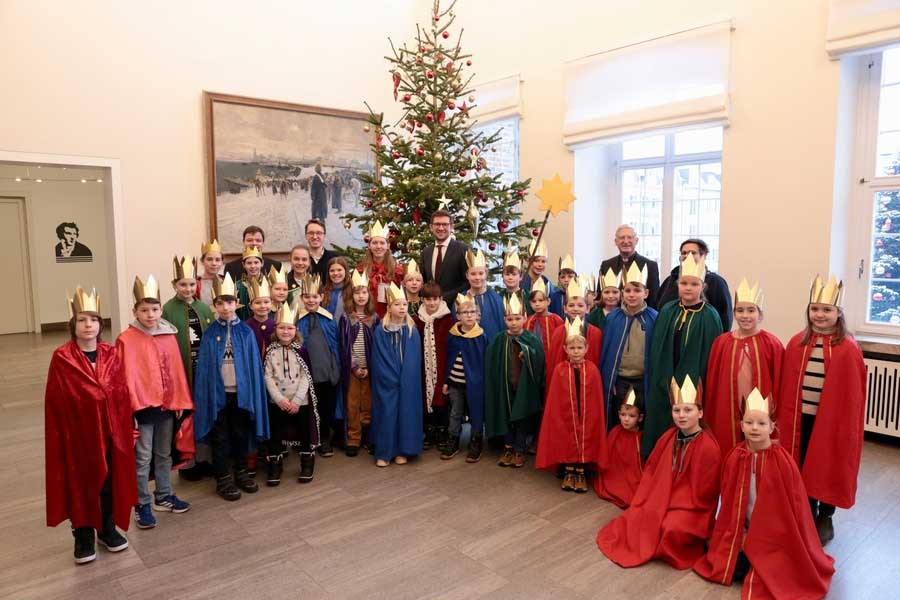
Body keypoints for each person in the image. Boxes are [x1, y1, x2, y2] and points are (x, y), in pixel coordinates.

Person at [694, 389, 834, 599]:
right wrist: (740, 532)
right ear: (741, 426)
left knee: (772, 573)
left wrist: (759, 537)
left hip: (775, 536)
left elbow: (789, 513)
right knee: (732, 570)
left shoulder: (783, 463)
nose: (755, 428)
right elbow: (730, 505)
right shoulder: (735, 457)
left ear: (772, 427)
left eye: (761, 423)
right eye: (749, 423)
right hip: (744, 529)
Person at [45, 287, 135, 564]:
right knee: (82, 482)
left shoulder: (111, 354)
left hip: (111, 433)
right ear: (73, 324)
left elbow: (122, 393)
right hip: (79, 436)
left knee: (109, 481)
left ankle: (105, 527)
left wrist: (126, 426)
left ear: (100, 325)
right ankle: (82, 532)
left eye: (94, 320)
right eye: (82, 320)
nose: (88, 325)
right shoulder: (63, 358)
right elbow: (56, 402)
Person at [597, 375, 722, 570]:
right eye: (677, 410)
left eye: (688, 410)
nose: (681, 415)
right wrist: (656, 500)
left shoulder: (708, 447)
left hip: (690, 507)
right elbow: (651, 473)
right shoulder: (668, 437)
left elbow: (704, 495)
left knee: (670, 528)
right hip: (662, 497)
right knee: (639, 517)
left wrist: (669, 504)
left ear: (700, 412)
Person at [777, 275, 866, 545]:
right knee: (802, 462)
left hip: (831, 421)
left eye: (826, 310)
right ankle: (806, 510)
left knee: (827, 464)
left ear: (838, 313)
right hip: (799, 418)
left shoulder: (848, 348)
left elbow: (852, 395)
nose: (820, 315)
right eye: (815, 309)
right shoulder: (797, 343)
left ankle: (825, 515)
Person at [117, 275, 194, 528]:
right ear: (135, 311)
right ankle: (141, 503)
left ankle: (163, 495)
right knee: (142, 458)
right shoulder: (126, 339)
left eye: (154, 309)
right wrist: (131, 409)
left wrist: (179, 399)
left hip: (167, 406)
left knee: (163, 453)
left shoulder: (168, 335)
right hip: (142, 408)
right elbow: (126, 375)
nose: (150, 315)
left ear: (161, 309)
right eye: (144, 310)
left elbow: (175, 370)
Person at [193, 273, 270, 501]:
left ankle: (242, 473)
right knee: (221, 438)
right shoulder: (209, 334)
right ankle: (223, 479)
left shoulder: (246, 332)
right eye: (220, 303)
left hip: (241, 394)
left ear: (237, 303)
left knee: (240, 434)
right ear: (214, 305)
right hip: (218, 395)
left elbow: (253, 369)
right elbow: (205, 370)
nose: (225, 307)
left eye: (230, 302)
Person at [643, 253, 722, 457]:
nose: (688, 288)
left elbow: (711, 356)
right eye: (684, 283)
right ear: (677, 285)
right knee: (661, 419)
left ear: (702, 287)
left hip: (694, 380)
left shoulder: (710, 315)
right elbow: (657, 347)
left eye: (694, 284)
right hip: (664, 377)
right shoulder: (668, 310)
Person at [704, 279, 784, 453]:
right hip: (727, 405)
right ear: (734, 313)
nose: (745, 315)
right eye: (740, 310)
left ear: (760, 315)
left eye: (751, 310)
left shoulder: (771, 343)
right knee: (728, 444)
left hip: (759, 409)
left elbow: (778, 379)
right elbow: (713, 381)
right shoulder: (722, 342)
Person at [537, 317, 607, 492]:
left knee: (586, 433)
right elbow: (555, 400)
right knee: (566, 433)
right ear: (565, 349)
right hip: (567, 413)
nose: (576, 352)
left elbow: (596, 400)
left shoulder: (592, 370)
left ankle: (581, 471)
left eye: (579, 348)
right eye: (572, 348)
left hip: (586, 413)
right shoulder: (560, 370)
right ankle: (569, 470)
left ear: (587, 349)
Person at [164, 256, 216, 482]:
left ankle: (205, 459)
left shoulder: (203, 308)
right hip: (182, 371)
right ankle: (188, 462)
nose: (187, 288)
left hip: (202, 371)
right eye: (182, 284)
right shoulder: (167, 309)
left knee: (204, 412)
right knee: (185, 417)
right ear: (174, 284)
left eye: (191, 284)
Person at [262, 303, 320, 485]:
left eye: (289, 328)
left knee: (303, 432)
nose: (285, 332)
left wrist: (296, 400)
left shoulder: (301, 350)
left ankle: (307, 463)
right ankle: (275, 465)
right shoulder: (270, 351)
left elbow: (306, 376)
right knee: (276, 434)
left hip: (299, 402)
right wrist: (278, 399)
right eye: (281, 328)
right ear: (275, 329)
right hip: (277, 402)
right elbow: (267, 377)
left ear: (296, 329)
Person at [485, 294, 544, 468]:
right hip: (505, 385)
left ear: (525, 318)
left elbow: (539, 360)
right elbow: (492, 362)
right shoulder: (498, 339)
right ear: (504, 319)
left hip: (524, 387)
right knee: (506, 415)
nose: (514, 323)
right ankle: (508, 446)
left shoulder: (531, 339)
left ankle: (520, 449)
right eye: (510, 319)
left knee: (522, 417)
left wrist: (527, 354)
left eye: (518, 318)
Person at [599, 262, 657, 430]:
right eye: (628, 290)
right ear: (622, 293)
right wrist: (612, 381)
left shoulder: (654, 318)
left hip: (643, 379)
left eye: (637, 291)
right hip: (620, 380)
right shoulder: (613, 318)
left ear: (646, 293)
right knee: (619, 419)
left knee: (641, 419)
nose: (632, 295)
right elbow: (607, 353)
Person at [371, 282, 424, 466]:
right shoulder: (381, 330)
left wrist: (406, 378)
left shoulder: (411, 330)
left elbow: (414, 359)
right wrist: (392, 378)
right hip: (388, 381)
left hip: (407, 381)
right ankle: (385, 452)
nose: (402, 308)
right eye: (397, 304)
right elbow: (379, 358)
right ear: (389, 307)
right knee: (387, 413)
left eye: (404, 304)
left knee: (406, 413)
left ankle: (404, 450)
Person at [296, 274, 342, 457]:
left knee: (325, 408)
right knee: (307, 409)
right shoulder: (297, 320)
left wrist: (335, 370)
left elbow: (335, 346)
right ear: (301, 298)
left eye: (315, 296)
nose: (311, 300)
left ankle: (324, 439)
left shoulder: (329, 319)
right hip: (306, 374)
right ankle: (307, 439)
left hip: (326, 372)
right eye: (307, 296)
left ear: (321, 297)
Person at [441, 293, 488, 463]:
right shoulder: (453, 334)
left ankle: (476, 440)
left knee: (476, 412)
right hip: (455, 383)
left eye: (472, 312)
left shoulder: (481, 337)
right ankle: (453, 439)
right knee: (455, 413)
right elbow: (449, 359)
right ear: (458, 316)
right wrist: (446, 381)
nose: (468, 315)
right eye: (464, 312)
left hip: (474, 384)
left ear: (478, 315)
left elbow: (483, 363)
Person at [338, 270, 377, 457]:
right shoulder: (346, 319)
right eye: (357, 292)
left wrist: (369, 368)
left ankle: (369, 437)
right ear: (351, 295)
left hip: (370, 369)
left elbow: (377, 346)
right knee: (352, 403)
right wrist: (355, 367)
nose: (360, 296)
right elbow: (345, 346)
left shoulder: (375, 318)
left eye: (364, 292)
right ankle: (354, 437)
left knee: (368, 403)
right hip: (352, 370)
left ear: (369, 294)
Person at [657, 239, 732, 330]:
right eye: (683, 253)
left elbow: (725, 315)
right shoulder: (670, 280)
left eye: (692, 252)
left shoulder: (716, 282)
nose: (687, 256)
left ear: (703, 256)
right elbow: (659, 307)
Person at [544, 277, 603, 393]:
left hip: (588, 385)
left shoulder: (595, 333)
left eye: (580, 306)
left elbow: (597, 361)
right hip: (562, 386)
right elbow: (553, 363)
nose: (575, 309)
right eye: (571, 305)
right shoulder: (558, 332)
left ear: (588, 309)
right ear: (565, 309)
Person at [414, 281, 453, 452]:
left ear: (441, 299)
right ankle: (429, 431)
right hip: (424, 366)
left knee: (442, 397)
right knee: (425, 396)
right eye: (428, 299)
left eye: (435, 299)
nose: (431, 303)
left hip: (442, 365)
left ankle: (443, 431)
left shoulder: (448, 320)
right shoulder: (417, 320)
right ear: (422, 300)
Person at [594, 389, 644, 508]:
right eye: (623, 415)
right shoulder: (615, 432)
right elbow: (606, 457)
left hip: (633, 478)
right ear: (618, 414)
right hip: (615, 476)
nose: (626, 419)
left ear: (640, 417)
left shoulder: (641, 437)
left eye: (631, 416)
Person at [599, 225, 660, 307]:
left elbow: (654, 298)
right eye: (622, 238)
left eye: (629, 237)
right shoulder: (606, 265)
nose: (626, 241)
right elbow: (600, 296)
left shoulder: (650, 265)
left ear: (636, 241)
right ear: (616, 241)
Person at [454, 249, 505, 341]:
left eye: (481, 273)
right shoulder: (460, 298)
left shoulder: (495, 298)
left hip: (491, 346)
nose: (477, 278)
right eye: (473, 274)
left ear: (486, 274)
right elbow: (456, 326)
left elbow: (502, 325)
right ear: (467, 276)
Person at [421, 209, 470, 305]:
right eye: (437, 224)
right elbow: (423, 280)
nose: (441, 228)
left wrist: (444, 298)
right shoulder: (426, 252)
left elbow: (467, 282)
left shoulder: (463, 249)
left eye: (445, 224)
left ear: (451, 227)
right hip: (430, 307)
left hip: (454, 306)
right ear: (431, 227)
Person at [358, 221, 405, 318]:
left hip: (390, 317)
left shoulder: (397, 270)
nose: (378, 246)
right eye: (374, 243)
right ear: (369, 246)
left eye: (382, 243)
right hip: (367, 317)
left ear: (387, 246)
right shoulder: (361, 270)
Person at [524, 278, 563, 362]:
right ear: (530, 303)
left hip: (552, 359)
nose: (537, 304)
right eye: (534, 301)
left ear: (548, 301)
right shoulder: (528, 321)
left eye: (541, 300)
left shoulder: (556, 320)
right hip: (534, 361)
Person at [244, 277, 275, 360]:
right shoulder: (245, 327)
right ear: (250, 306)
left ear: (271, 304)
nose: (262, 306)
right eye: (257, 302)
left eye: (266, 302)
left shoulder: (276, 326)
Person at [235, 246, 265, 321]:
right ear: (243, 265)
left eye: (256, 262)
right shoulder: (237, 286)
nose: (253, 266)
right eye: (249, 263)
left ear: (262, 263)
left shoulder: (268, 284)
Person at [305, 218, 339, 285]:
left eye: (319, 233)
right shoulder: (301, 259)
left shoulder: (335, 258)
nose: (315, 237)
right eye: (311, 233)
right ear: (306, 236)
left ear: (324, 236)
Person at [196, 239, 224, 306]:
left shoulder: (225, 281)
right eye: (209, 259)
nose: (214, 263)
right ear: (202, 261)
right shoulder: (196, 283)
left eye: (217, 260)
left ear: (222, 262)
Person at [324, 256, 349, 324]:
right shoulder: (323, 292)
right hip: (327, 332)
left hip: (347, 332)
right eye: (332, 270)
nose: (335, 273)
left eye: (339, 270)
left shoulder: (353, 292)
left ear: (345, 271)